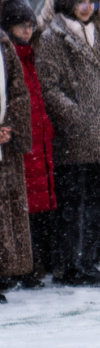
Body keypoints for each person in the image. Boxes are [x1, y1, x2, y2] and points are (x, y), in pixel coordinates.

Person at [35, 0, 100, 287]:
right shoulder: (53, 37)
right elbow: (49, 88)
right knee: (74, 203)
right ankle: (71, 266)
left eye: (91, 1)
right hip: (74, 138)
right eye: (81, 1)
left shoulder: (99, 33)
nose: (88, 7)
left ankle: (87, 262)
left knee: (96, 202)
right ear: (67, 2)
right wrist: (78, 118)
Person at [2, 0, 53, 289]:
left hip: (36, 137)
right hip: (21, 140)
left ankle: (30, 265)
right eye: (21, 25)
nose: (27, 30)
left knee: (32, 207)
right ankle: (20, 267)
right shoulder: (12, 55)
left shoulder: (31, 55)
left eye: (30, 25)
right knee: (21, 207)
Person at [0, 24, 31, 299]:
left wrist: (9, 124)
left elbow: (18, 90)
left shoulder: (3, 43)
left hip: (4, 142)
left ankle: (4, 270)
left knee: (6, 210)